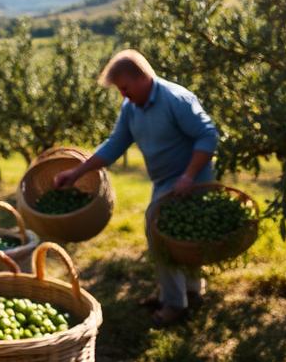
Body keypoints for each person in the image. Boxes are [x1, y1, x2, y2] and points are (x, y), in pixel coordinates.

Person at [53, 50, 219, 327]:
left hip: (191, 180)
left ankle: (175, 304)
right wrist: (76, 172)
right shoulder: (131, 108)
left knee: (162, 236)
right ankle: (188, 292)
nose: (123, 95)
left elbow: (207, 135)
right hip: (166, 181)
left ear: (142, 77)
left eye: (125, 88)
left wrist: (189, 177)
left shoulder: (175, 99)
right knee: (179, 239)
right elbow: (115, 144)